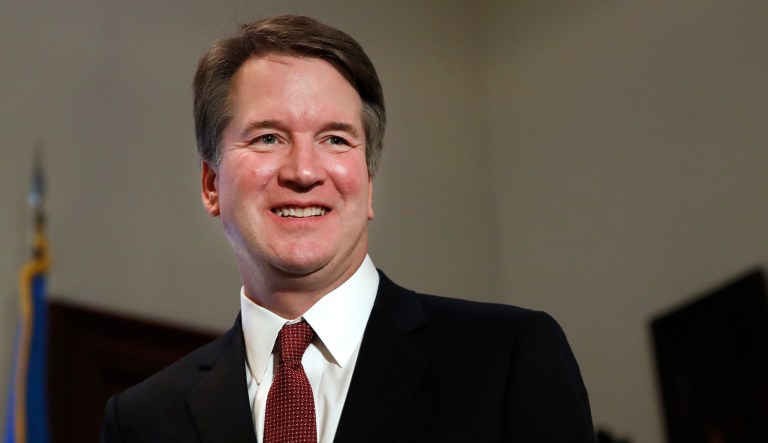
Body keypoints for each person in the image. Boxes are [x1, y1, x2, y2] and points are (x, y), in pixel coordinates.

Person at [101, 14, 595, 443]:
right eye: (268, 137)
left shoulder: (506, 357)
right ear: (212, 184)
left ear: (368, 184)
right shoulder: (142, 421)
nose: (304, 171)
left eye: (335, 139)